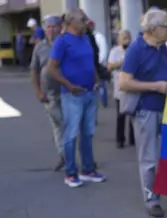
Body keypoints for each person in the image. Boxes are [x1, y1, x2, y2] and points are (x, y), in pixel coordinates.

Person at [119, 8, 167, 218]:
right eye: (165, 26)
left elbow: (164, 72)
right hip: (146, 109)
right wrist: (156, 86)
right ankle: (151, 199)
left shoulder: (162, 47)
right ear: (153, 29)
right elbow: (124, 82)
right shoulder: (136, 49)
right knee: (149, 158)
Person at [48, 8, 105, 188]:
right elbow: (52, 68)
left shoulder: (86, 38)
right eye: (83, 19)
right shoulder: (62, 42)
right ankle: (70, 172)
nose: (86, 22)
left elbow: (90, 62)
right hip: (72, 95)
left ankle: (88, 169)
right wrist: (68, 85)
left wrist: (96, 79)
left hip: (89, 92)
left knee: (88, 132)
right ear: (71, 21)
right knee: (71, 134)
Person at [30, 15, 64, 171]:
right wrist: (37, 92)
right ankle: (64, 156)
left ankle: (66, 156)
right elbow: (34, 70)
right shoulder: (39, 47)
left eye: (54, 26)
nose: (51, 30)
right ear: (44, 29)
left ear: (60, 27)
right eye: (48, 27)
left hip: (67, 91)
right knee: (59, 125)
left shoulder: (64, 44)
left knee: (66, 126)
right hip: (49, 95)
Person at [107, 30, 135, 148]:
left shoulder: (133, 50)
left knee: (133, 114)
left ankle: (133, 139)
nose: (126, 40)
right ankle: (120, 139)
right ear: (119, 40)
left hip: (132, 86)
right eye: (124, 38)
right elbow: (109, 67)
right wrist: (121, 62)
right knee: (120, 115)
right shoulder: (115, 51)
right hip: (119, 88)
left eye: (128, 38)